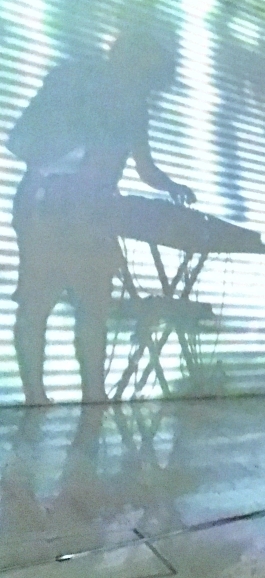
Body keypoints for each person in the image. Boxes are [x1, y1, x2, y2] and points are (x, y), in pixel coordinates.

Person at [6, 27, 196, 405]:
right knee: (37, 303)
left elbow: (144, 165)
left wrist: (171, 186)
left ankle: (95, 396)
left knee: (93, 306)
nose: (147, 80)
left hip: (93, 215)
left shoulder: (134, 104)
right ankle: (35, 398)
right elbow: (23, 140)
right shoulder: (72, 82)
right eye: (144, 69)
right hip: (46, 209)